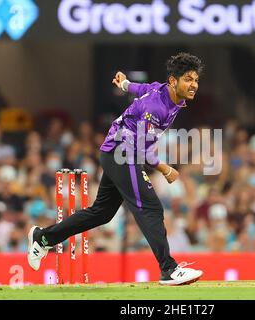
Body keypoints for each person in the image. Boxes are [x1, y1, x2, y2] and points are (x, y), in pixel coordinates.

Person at [27, 52, 204, 285]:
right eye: (188, 79)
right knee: (150, 206)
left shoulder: (162, 90)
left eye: (196, 80)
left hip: (118, 153)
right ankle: (169, 269)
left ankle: (43, 238)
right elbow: (139, 147)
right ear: (174, 81)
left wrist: (124, 84)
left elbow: (140, 88)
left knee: (102, 212)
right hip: (122, 152)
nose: (194, 85)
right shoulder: (156, 108)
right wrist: (164, 169)